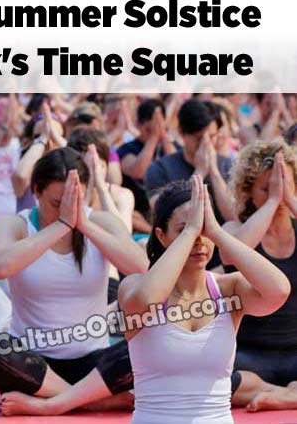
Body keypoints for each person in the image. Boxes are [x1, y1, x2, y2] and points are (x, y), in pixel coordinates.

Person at [0, 147, 148, 416]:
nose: (67, 209)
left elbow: (140, 268)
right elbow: (1, 266)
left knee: (147, 345)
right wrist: (61, 224)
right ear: (36, 191)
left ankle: (52, 403)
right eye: (57, 203)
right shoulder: (15, 225)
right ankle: (91, 401)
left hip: (92, 363)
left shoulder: (101, 222)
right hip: (35, 363)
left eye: (74, 202)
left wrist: (84, 225)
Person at [119, 176, 293, 423]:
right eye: (184, 231)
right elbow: (146, 300)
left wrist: (218, 233)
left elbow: (279, 291)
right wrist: (191, 230)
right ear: (161, 235)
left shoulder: (228, 289)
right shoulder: (134, 285)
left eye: (203, 230)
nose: (199, 240)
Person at [223, 141, 297, 388]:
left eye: (285, 186)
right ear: (249, 193)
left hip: (295, 354)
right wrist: (273, 201)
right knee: (215, 380)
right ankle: (285, 394)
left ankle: (283, 395)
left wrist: (289, 199)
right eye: (267, 189)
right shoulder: (234, 230)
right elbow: (234, 255)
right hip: (250, 356)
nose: (278, 196)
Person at [145, 99, 235, 223]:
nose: (206, 143)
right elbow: (162, 215)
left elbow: (233, 216)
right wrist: (200, 172)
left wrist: (214, 171)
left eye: (212, 136)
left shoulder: (229, 165)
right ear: (181, 133)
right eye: (198, 138)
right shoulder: (160, 168)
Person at [118, 98, 178, 231]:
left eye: (158, 127)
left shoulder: (170, 147)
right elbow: (139, 172)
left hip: (168, 213)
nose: (154, 132)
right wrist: (153, 138)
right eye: (149, 129)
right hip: (139, 214)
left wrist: (163, 136)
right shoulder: (127, 149)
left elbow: (177, 169)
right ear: (138, 124)